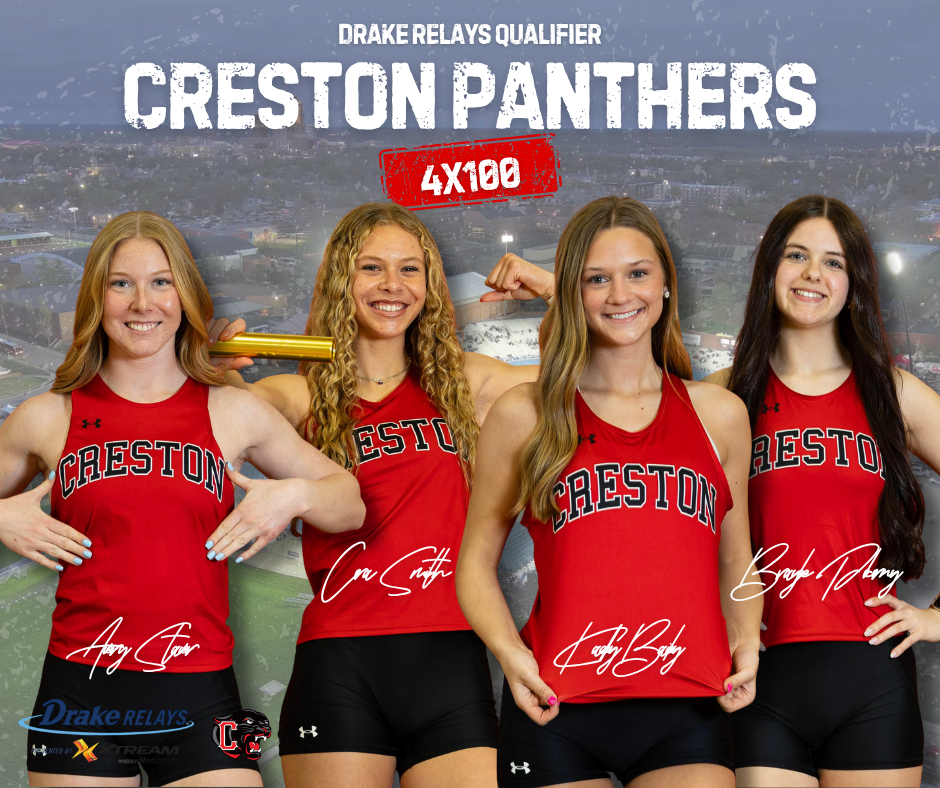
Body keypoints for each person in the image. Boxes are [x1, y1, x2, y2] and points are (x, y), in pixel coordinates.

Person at [0, 211, 364, 787]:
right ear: (97, 296)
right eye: (122, 283)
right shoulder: (48, 416)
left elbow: (349, 502)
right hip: (81, 694)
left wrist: (289, 496)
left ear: (185, 296)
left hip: (200, 690)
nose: (142, 302)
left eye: (161, 282)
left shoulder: (231, 409)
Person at [208, 202, 549, 788]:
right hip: (340, 661)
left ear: (430, 286)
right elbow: (202, 430)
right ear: (344, 279)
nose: (393, 285)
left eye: (409, 269)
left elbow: (604, 372)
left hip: (449, 656)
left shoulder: (473, 384)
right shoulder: (298, 393)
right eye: (372, 268)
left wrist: (550, 286)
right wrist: (214, 367)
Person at [456, 196, 761, 788]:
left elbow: (736, 559)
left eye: (637, 274)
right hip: (555, 704)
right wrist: (509, 654)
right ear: (573, 290)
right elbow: (473, 562)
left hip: (691, 706)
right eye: (598, 279)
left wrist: (747, 638)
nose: (621, 296)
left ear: (666, 283)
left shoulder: (718, 416)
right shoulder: (527, 414)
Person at [703, 195, 940, 787]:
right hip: (756, 673)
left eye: (834, 262)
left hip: (871, 677)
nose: (813, 273)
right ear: (769, 270)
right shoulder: (724, 397)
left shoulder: (893, 393)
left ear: (854, 280)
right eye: (797, 255)